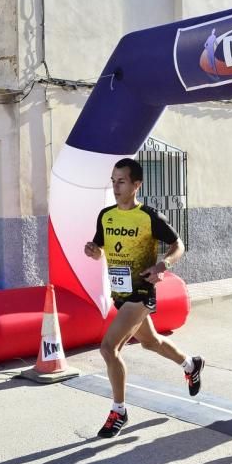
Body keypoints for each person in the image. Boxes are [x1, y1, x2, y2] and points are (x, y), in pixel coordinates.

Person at [84, 157, 204, 438]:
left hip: (141, 292)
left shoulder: (148, 216)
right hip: (120, 293)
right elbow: (100, 249)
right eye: (113, 181)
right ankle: (190, 364)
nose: (116, 186)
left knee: (108, 348)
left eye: (121, 181)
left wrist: (164, 265)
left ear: (136, 185)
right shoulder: (106, 216)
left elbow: (179, 245)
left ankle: (119, 411)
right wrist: (94, 251)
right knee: (150, 342)